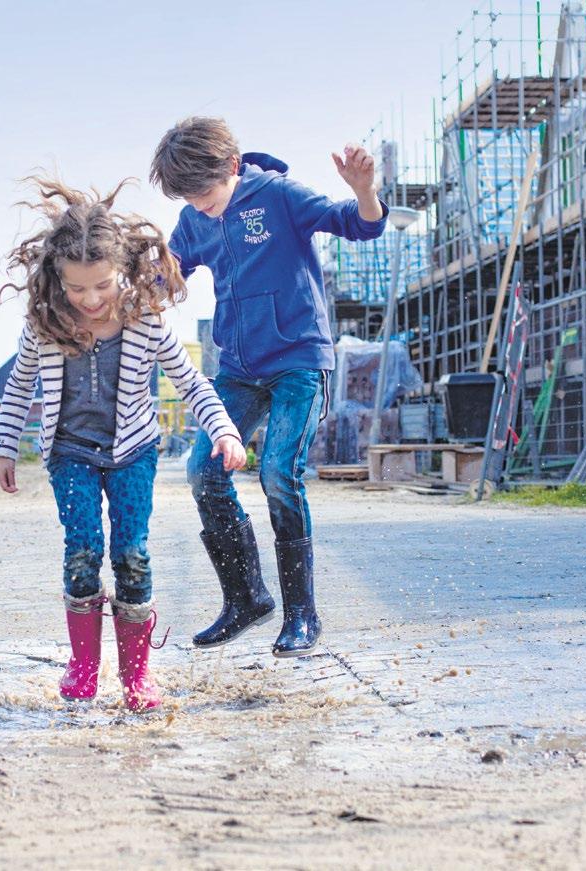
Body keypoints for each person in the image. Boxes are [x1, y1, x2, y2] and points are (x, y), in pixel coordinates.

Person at [0, 179, 245, 711]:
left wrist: (222, 429)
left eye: (101, 285)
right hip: (70, 454)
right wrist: (5, 446)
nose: (88, 299)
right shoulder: (45, 324)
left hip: (133, 453)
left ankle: (137, 677)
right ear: (57, 278)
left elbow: (192, 381)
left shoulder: (145, 320)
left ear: (121, 273)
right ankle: (84, 665)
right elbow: (19, 386)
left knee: (131, 552)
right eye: (76, 288)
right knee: (82, 549)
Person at [150, 117, 389, 657]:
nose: (200, 205)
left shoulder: (278, 196)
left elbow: (358, 224)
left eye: (205, 193)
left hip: (299, 361)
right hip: (238, 368)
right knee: (201, 469)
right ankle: (246, 598)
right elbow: (165, 277)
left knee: (279, 471)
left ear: (232, 167)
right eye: (188, 197)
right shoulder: (193, 220)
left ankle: (302, 614)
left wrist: (364, 190)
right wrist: (137, 280)